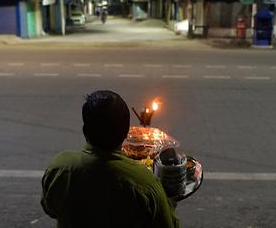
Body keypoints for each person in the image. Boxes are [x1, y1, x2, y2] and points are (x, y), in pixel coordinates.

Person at [41, 90, 179, 228]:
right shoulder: (145, 183)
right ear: (126, 132)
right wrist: (169, 199)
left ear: (85, 130)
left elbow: (50, 208)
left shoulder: (59, 168)